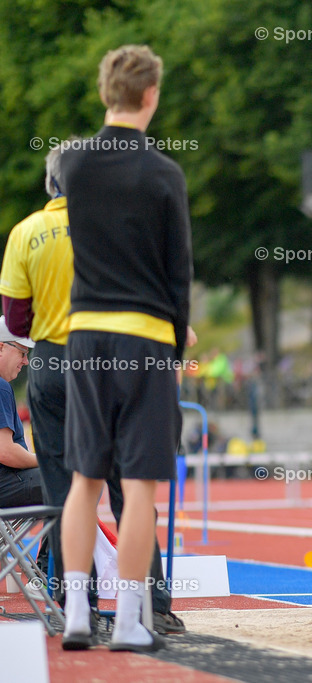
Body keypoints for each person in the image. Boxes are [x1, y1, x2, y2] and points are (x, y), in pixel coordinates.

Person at [0, 142, 186, 635]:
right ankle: (152, 605)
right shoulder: (114, 225)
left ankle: (69, 604)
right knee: (129, 487)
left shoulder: (26, 232)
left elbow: (16, 320)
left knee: (66, 489)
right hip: (113, 359)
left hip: (53, 362)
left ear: (50, 183)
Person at [59, 44, 192, 652]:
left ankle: (79, 611)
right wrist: (175, 338)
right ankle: (133, 617)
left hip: (84, 334)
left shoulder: (76, 167)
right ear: (151, 96)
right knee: (138, 485)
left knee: (84, 477)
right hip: (143, 337)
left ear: (104, 92)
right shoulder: (165, 173)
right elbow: (177, 273)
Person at [0, 318, 43, 507]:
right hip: (6, 483)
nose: (26, 361)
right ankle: (59, 538)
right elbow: (5, 452)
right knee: (83, 479)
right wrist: (46, 461)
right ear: (1, 347)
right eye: (22, 352)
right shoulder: (1, 386)